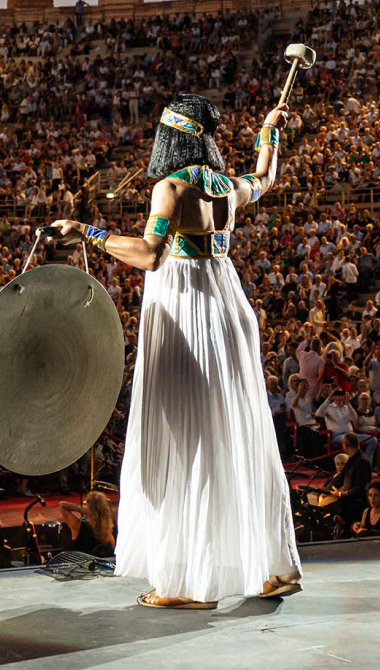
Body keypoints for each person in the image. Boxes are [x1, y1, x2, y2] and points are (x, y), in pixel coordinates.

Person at [49, 95, 299, 608]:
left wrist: (84, 232)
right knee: (239, 432)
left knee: (187, 439)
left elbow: (148, 254)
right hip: (228, 309)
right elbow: (264, 178)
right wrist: (269, 131)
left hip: (187, 313)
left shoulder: (171, 187)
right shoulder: (226, 187)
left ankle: (189, 583)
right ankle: (274, 568)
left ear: (170, 137)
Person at [58, 490, 117, 557]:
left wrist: (80, 509)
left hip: (79, 564)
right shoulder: (108, 531)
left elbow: (62, 505)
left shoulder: (78, 525)